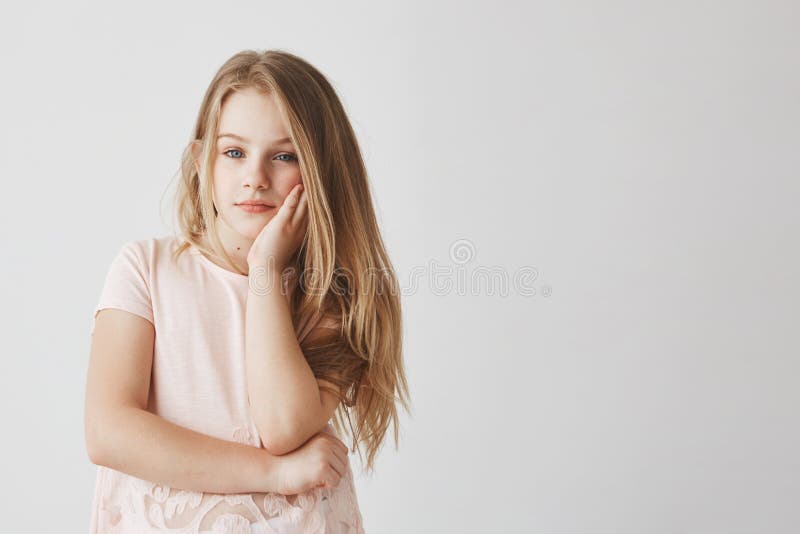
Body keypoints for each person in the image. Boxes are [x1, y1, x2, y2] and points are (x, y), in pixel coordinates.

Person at [84, 49, 411, 534]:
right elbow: (109, 432)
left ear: (321, 171)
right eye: (234, 152)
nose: (255, 177)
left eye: (283, 156)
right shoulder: (145, 271)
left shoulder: (331, 296)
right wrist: (274, 474)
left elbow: (282, 425)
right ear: (201, 161)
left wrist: (265, 271)